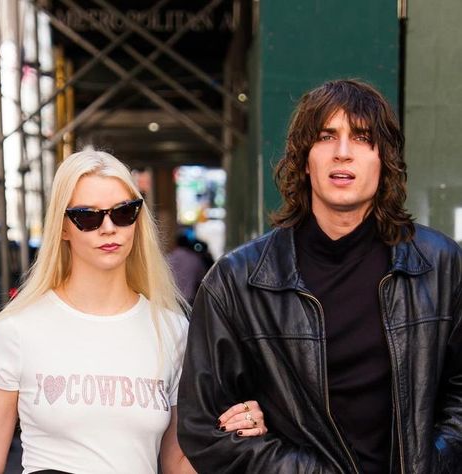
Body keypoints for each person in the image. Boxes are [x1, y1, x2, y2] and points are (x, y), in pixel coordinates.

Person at [177, 79, 462, 473]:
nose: (343, 153)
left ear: (385, 159)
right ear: (304, 157)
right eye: (327, 136)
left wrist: (433, 461)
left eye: (362, 138)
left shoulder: (441, 265)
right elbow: (203, 427)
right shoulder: (237, 282)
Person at [0, 149, 266, 474]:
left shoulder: (172, 330)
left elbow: (177, 464)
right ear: (62, 227)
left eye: (123, 212)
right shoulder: (18, 330)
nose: (108, 228)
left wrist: (232, 434)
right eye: (88, 217)